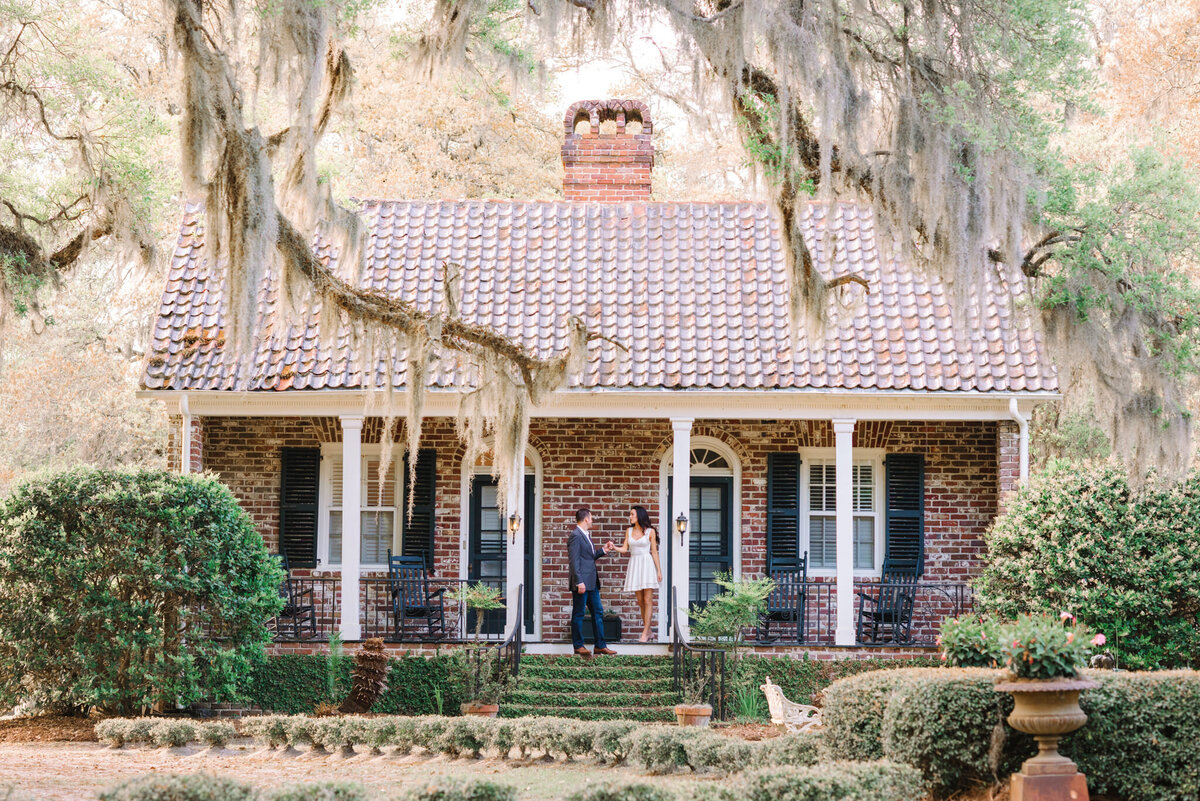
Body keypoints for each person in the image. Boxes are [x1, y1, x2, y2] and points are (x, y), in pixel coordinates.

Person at [568, 507, 617, 656]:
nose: (592, 519)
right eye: (591, 517)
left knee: (598, 612)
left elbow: (588, 558)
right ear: (585, 519)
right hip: (582, 583)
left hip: (592, 583)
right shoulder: (575, 535)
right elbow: (574, 561)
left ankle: (600, 645)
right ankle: (578, 645)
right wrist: (579, 582)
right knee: (578, 614)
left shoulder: (586, 535)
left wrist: (603, 550)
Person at [611, 505, 663, 642]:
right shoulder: (628, 531)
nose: (630, 516)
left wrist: (659, 570)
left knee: (648, 600)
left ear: (639, 515)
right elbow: (624, 549)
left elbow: (654, 552)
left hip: (646, 564)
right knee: (640, 601)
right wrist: (614, 547)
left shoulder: (650, 532)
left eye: (632, 514)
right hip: (635, 564)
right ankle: (649, 630)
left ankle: (645, 632)